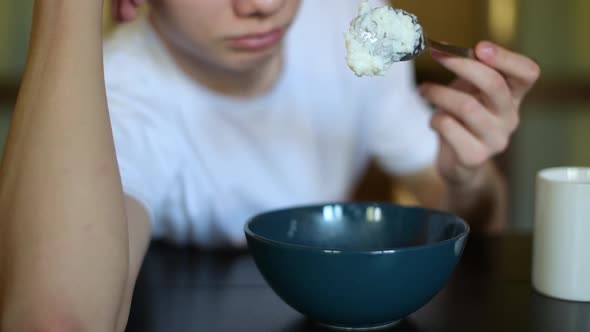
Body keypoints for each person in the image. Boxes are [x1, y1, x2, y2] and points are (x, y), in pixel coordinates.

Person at [0, 0, 539, 331]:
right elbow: (57, 321)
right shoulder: (117, 99)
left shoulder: (347, 20)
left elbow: (475, 218)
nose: (263, 4)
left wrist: (464, 179)